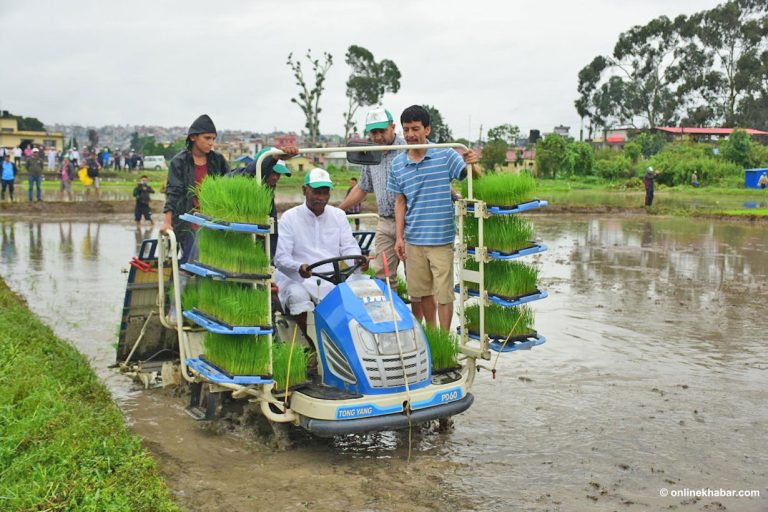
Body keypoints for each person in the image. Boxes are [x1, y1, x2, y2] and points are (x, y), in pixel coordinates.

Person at [387, 105, 480, 330]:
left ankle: (445, 338)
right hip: (414, 239)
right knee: (422, 293)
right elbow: (400, 202)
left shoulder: (445, 155)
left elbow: (472, 178)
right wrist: (399, 238)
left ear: (427, 129)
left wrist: (473, 163)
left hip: (441, 239)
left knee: (444, 293)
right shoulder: (398, 164)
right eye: (406, 129)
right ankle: (433, 335)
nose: (410, 135)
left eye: (415, 129)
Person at [274, 167, 366, 339]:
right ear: (304, 190)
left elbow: (349, 247)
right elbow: (281, 258)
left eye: (325, 193)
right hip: (299, 278)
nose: (321, 198)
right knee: (297, 297)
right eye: (316, 192)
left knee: (364, 290)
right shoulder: (289, 217)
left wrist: (358, 261)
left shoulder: (338, 215)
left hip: (332, 277)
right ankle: (314, 345)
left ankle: (350, 344)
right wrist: (298, 267)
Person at [338, 107, 406, 290]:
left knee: (415, 277)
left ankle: (418, 319)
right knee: (382, 274)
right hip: (385, 221)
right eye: (373, 132)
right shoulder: (371, 152)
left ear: (393, 127)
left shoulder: (406, 149)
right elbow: (363, 187)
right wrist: (339, 209)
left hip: (410, 221)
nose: (377, 137)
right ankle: (388, 316)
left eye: (382, 131)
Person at [161, 114, 229, 264]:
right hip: (188, 222)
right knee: (192, 260)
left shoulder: (218, 161)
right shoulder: (179, 162)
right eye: (207, 138)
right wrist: (167, 222)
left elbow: (230, 185)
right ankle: (181, 284)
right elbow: (173, 192)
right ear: (193, 137)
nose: (211, 143)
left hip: (214, 220)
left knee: (215, 264)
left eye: (213, 138)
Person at [234, 145, 297, 258]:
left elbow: (271, 236)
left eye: (278, 174)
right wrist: (272, 158)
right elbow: (247, 174)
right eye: (272, 172)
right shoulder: (238, 180)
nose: (275, 178)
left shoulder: (268, 194)